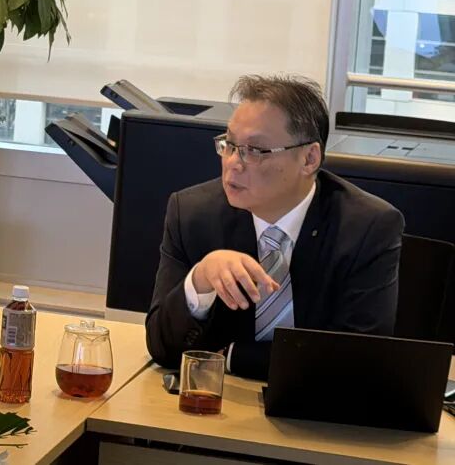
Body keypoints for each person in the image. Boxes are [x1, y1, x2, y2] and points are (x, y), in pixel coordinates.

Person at [145, 74, 404, 380]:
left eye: (255, 150)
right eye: (229, 145)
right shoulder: (193, 214)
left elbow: (359, 358)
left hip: (316, 405)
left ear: (309, 159)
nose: (233, 162)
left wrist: (234, 356)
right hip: (220, 400)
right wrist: (200, 280)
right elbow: (162, 348)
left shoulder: (367, 227)